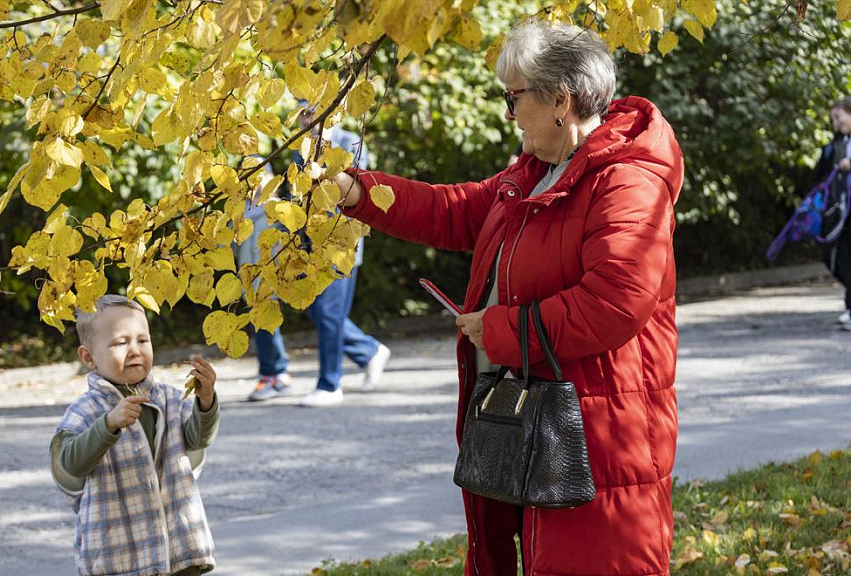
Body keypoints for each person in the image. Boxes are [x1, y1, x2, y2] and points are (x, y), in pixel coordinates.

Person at [332, 19, 683, 576]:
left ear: (560, 100)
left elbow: (615, 302)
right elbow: (452, 209)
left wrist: (499, 330)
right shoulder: (537, 171)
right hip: (532, 422)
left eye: (513, 97)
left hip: (599, 439)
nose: (510, 113)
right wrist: (354, 190)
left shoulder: (626, 180)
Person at [50, 295, 219, 576]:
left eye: (143, 340)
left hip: (178, 549)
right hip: (119, 554)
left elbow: (198, 440)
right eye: (120, 343)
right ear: (88, 357)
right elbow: (69, 466)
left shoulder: (170, 399)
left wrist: (206, 400)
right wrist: (108, 425)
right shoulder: (87, 409)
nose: (135, 351)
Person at [294, 101, 391, 408]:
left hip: (341, 244)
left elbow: (369, 191)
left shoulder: (351, 142)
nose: (308, 119)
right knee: (317, 311)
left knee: (328, 313)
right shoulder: (300, 151)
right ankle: (368, 351)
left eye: (313, 112)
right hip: (310, 244)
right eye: (303, 113)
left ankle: (330, 384)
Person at [235, 160, 294, 401]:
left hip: (270, 276)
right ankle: (276, 373)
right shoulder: (241, 209)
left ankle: (274, 373)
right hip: (248, 276)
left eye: (261, 174)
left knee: (266, 324)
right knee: (263, 325)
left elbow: (285, 241)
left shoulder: (276, 208)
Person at [811, 97, 851, 329]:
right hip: (840, 214)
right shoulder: (835, 145)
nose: (835, 123)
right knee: (838, 257)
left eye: (838, 117)